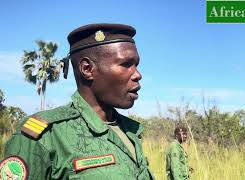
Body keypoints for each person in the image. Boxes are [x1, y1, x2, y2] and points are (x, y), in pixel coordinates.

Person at [1, 23, 154, 180]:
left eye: (136, 65)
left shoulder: (130, 132)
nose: (137, 74)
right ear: (87, 69)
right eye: (126, 65)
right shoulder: (46, 136)